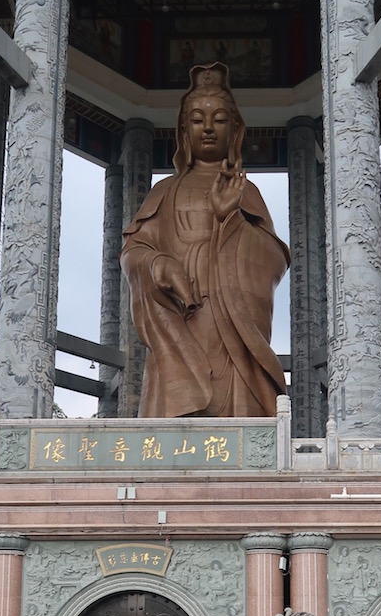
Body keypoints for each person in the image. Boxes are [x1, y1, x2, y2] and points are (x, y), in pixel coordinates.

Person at [120, 62, 289, 419]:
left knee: (233, 420)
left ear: (235, 130)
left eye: (219, 120)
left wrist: (231, 220)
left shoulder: (246, 193)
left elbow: (273, 260)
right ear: (183, 130)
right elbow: (133, 251)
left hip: (230, 327)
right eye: (197, 120)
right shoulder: (164, 192)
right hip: (178, 322)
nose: (208, 128)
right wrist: (156, 264)